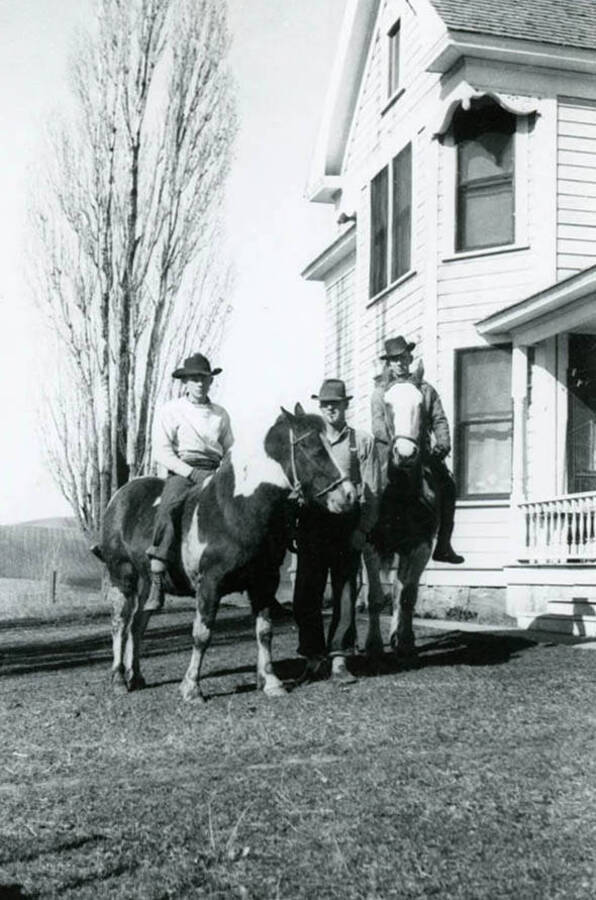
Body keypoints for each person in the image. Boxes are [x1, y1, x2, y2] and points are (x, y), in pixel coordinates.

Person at [293, 378, 381, 685]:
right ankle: (313, 657)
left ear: (346, 405)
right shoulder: (308, 440)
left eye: (337, 403)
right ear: (320, 407)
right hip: (313, 523)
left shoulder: (362, 441)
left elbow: (371, 491)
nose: (331, 409)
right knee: (307, 592)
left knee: (346, 590)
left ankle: (340, 658)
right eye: (326, 404)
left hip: (347, 524)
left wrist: (363, 528)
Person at [145, 352, 233, 610]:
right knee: (170, 507)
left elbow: (230, 447)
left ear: (210, 381)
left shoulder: (220, 414)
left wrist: (224, 469)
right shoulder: (172, 411)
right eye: (194, 379)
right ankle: (157, 579)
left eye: (204, 378)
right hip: (184, 471)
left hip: (215, 471)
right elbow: (161, 451)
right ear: (184, 382)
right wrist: (191, 473)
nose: (199, 384)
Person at [371, 335, 464, 565]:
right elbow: (377, 423)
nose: (400, 363)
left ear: (410, 358)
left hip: (420, 451)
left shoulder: (426, 389)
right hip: (391, 448)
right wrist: (395, 441)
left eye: (403, 357)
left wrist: (442, 444)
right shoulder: (379, 392)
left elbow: (438, 419)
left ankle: (443, 545)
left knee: (447, 485)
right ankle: (370, 537)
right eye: (394, 359)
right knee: (371, 486)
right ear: (388, 363)